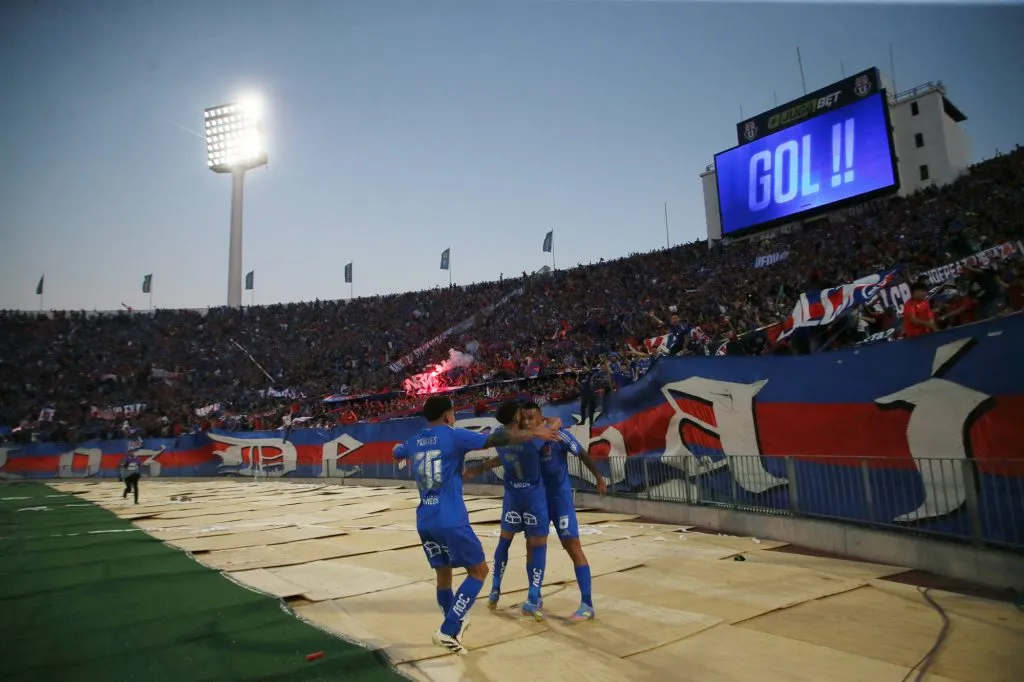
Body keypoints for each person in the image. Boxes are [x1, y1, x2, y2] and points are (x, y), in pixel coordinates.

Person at [392, 395, 559, 655]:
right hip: (450, 517)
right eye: (454, 413)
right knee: (479, 571)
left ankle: (454, 623)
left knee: (443, 575)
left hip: (424, 518)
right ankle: (448, 630)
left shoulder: (414, 440)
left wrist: (406, 452)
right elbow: (494, 440)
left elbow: (396, 451)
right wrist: (531, 434)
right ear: (448, 415)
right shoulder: (454, 435)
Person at [468, 401, 608, 621]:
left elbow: (581, 453)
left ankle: (587, 603)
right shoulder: (528, 437)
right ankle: (535, 597)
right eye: (524, 418)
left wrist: (599, 478)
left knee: (572, 547)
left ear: (541, 418)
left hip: (559, 500)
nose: (527, 421)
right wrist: (482, 467)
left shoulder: (557, 435)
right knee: (531, 548)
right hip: (537, 501)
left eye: (531, 418)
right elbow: (506, 456)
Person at [463, 401, 550, 619]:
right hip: (533, 497)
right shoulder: (533, 435)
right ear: (518, 414)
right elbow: (552, 429)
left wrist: (480, 467)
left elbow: (499, 458)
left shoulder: (500, 435)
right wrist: (551, 421)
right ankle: (533, 597)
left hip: (512, 497)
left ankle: (494, 590)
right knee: (537, 546)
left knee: (505, 542)